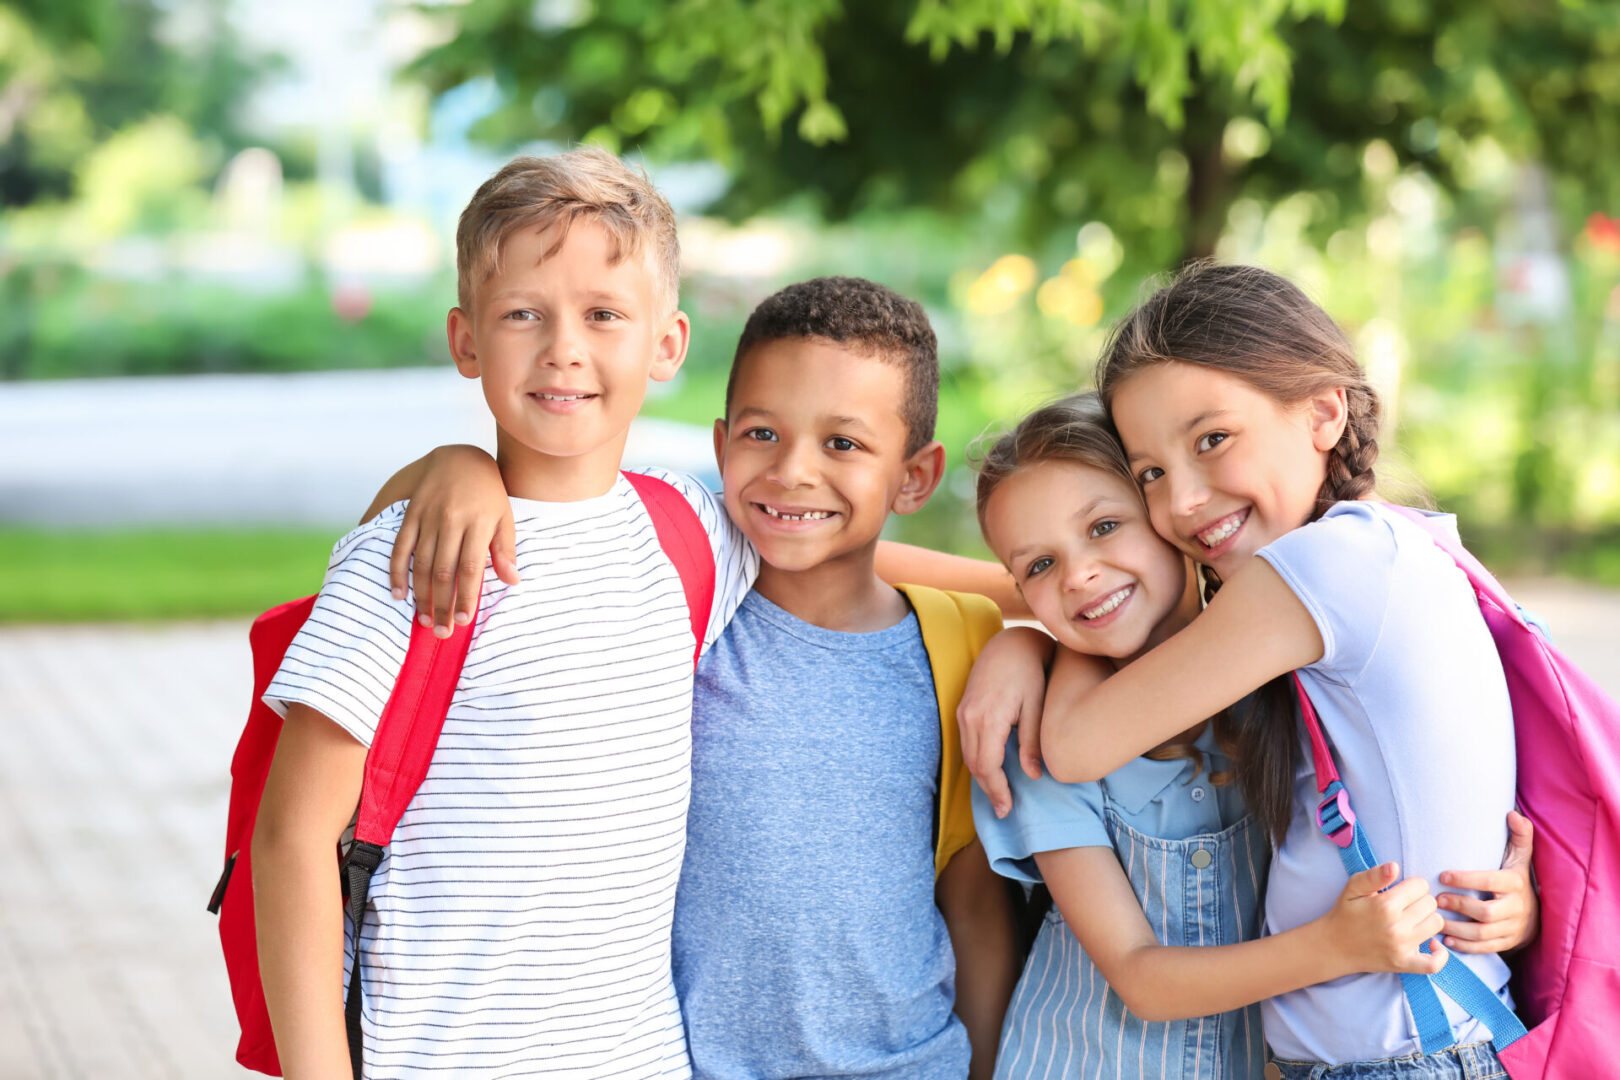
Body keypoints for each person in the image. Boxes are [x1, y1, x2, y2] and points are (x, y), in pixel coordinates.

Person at [377, 276, 1026, 1079]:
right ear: (720, 446)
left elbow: (971, 886)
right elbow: (537, 518)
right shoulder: (665, 607)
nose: (792, 471)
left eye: (843, 444)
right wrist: (457, 464)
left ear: (915, 477)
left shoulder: (961, 643)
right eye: (762, 434)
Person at [252, 147, 761, 1080]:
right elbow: (289, 841)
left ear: (668, 344)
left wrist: (1026, 596)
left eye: (604, 315)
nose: (564, 346)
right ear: (466, 341)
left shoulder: (684, 530)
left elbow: (843, 554)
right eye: (524, 313)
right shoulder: (412, 558)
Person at [961, 263, 1537, 1079]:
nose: (1186, 501)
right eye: (1154, 472)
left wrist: (1032, 637)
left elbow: (1080, 741)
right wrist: (1024, 629)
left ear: (1324, 410)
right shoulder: (1365, 564)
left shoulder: (1323, 571)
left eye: (1212, 440)